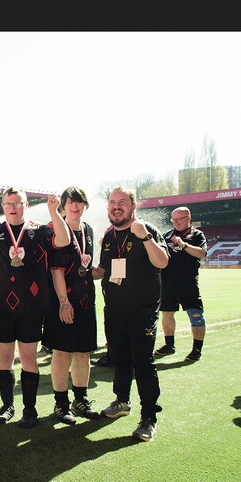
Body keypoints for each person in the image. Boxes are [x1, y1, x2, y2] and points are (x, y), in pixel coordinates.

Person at [0, 188, 70, 428]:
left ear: (26, 204)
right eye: (8, 203)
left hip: (31, 308)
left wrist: (54, 212)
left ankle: (29, 410)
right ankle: (7, 406)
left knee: (29, 358)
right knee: (5, 359)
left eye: (17, 203)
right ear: (2, 206)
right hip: (0, 307)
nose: (12, 207)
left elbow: (63, 241)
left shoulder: (39, 229)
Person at [93, 186, 169, 441]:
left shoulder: (146, 230)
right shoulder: (108, 235)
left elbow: (163, 262)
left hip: (142, 312)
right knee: (120, 360)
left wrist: (146, 238)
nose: (116, 206)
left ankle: (149, 417)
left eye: (122, 202)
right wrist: (82, 271)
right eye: (112, 202)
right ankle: (121, 402)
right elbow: (106, 270)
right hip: (114, 311)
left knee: (143, 363)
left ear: (133, 206)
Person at [44, 186, 101, 424]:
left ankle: (81, 399)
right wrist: (64, 303)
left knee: (83, 353)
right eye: (70, 203)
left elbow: (86, 267)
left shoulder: (88, 229)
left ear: (85, 205)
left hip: (87, 300)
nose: (75, 206)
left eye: (79, 202)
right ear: (63, 207)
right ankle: (60, 403)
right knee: (62, 353)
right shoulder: (57, 229)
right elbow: (56, 270)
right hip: (63, 301)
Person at [154, 206, 208, 362]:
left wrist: (183, 244)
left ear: (188, 218)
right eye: (173, 219)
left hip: (187, 282)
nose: (176, 222)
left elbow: (201, 253)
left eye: (179, 219)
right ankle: (169, 345)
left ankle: (197, 349)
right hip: (167, 281)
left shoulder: (197, 234)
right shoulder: (167, 235)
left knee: (195, 314)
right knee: (167, 313)